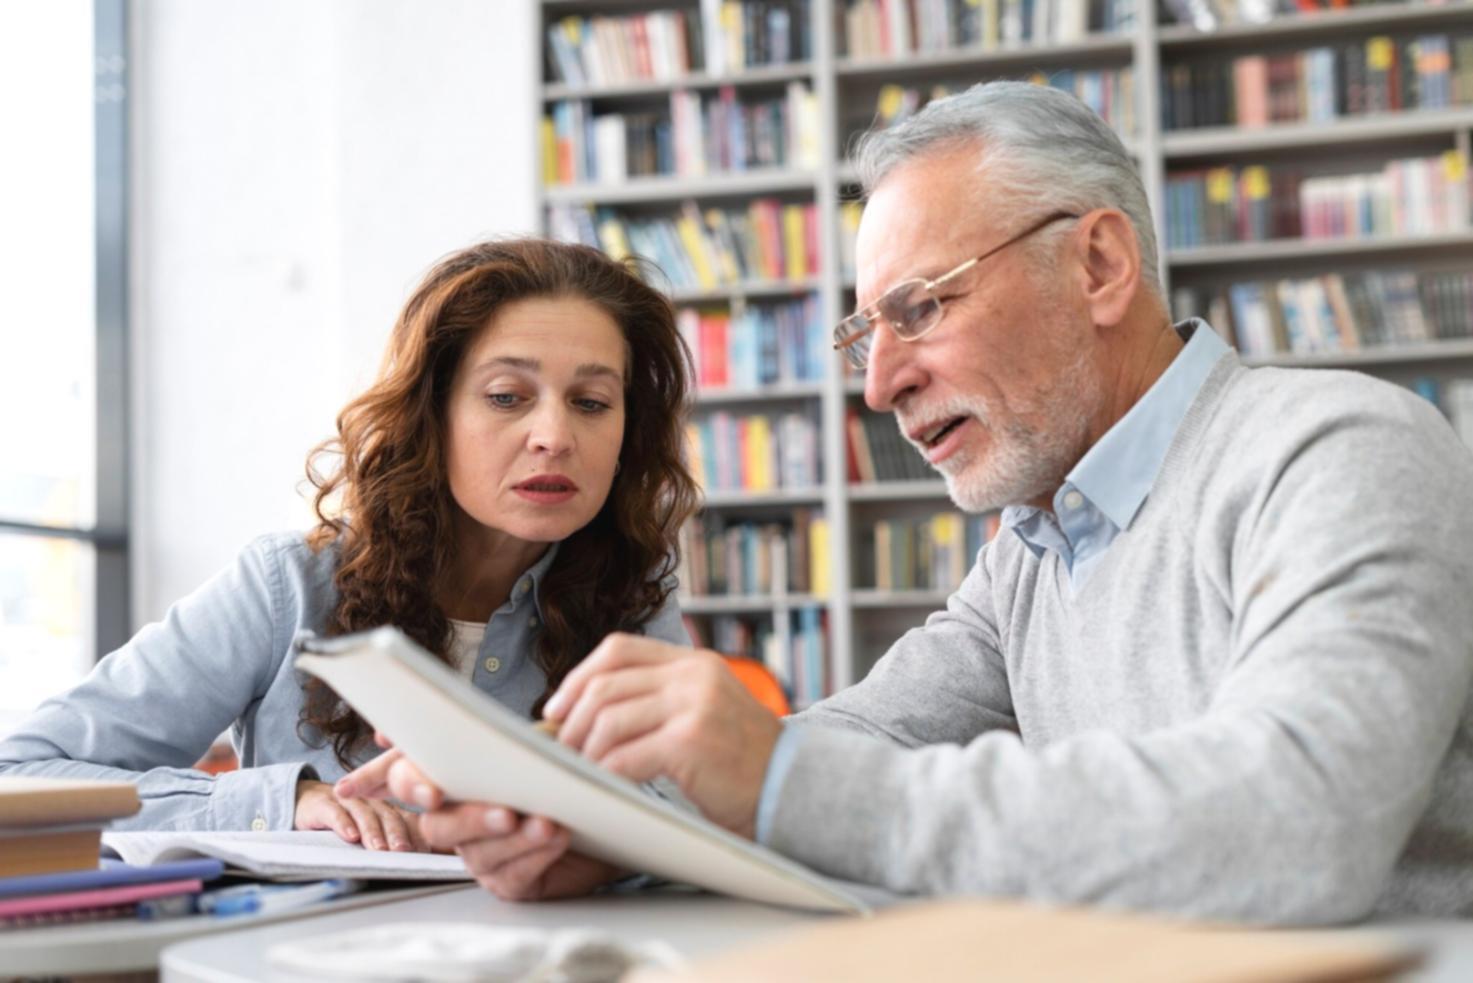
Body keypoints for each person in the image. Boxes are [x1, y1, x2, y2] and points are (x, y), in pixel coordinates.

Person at [353, 80, 1473, 924]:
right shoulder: (1037, 545)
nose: (881, 384)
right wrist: (580, 811)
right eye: (863, 335)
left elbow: (1300, 817)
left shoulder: (1339, 448)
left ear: (1096, 266)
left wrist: (773, 778)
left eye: (921, 309)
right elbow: (862, 735)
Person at [0, 238, 699, 856]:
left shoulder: (636, 593)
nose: (554, 435)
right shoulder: (288, 585)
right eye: (507, 396)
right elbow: (21, 777)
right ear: (432, 416)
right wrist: (285, 803)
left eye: (592, 402)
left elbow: (685, 815)